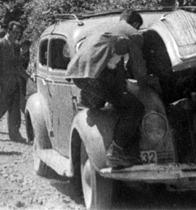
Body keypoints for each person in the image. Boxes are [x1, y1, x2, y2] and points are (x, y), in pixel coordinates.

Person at [64, 9, 159, 169]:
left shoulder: (104, 28)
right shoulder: (133, 33)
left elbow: (113, 62)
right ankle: (117, 151)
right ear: (136, 24)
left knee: (114, 98)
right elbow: (138, 65)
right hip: (95, 76)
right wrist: (145, 81)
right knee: (134, 107)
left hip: (78, 73)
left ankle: (90, 99)